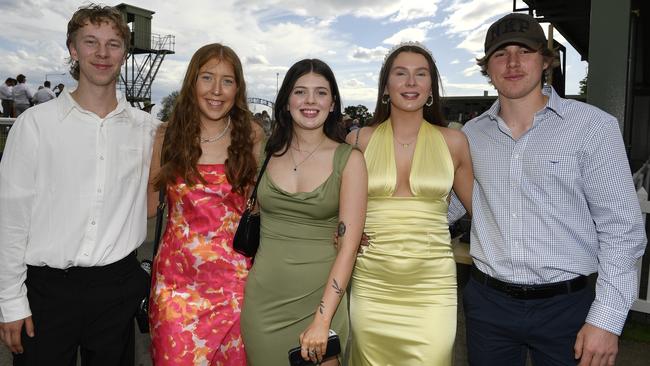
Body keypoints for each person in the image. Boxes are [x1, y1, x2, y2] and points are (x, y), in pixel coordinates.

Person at [447, 13, 647, 366]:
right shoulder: (470, 136)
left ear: (545, 60)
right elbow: (444, 206)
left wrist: (606, 320)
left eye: (523, 51)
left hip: (568, 307)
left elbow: (623, 230)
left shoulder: (593, 128)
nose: (512, 62)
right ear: (487, 68)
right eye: (500, 53)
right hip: (488, 304)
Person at [0, 4, 159, 365]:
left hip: (116, 292)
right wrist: (10, 301)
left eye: (113, 44)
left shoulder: (147, 130)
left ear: (125, 51)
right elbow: (10, 221)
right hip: (46, 292)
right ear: (73, 49)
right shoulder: (35, 125)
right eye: (91, 42)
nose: (102, 54)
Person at [345, 41, 473, 365]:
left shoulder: (454, 142)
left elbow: (483, 213)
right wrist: (341, 234)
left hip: (432, 287)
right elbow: (336, 210)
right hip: (372, 284)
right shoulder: (358, 141)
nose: (411, 82)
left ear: (431, 87)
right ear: (386, 86)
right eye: (401, 73)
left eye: (421, 74)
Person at [241, 59, 367, 365]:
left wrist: (323, 321)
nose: (310, 101)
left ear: (333, 102)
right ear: (286, 101)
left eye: (321, 93)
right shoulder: (264, 155)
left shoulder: (349, 161)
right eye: (300, 92)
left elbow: (348, 250)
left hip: (322, 304)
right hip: (263, 306)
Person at [147, 43, 263, 365]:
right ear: (192, 82)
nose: (216, 90)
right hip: (176, 289)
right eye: (207, 77)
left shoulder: (251, 135)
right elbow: (144, 205)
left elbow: (261, 208)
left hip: (235, 289)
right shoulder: (166, 136)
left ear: (237, 88)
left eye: (227, 81)